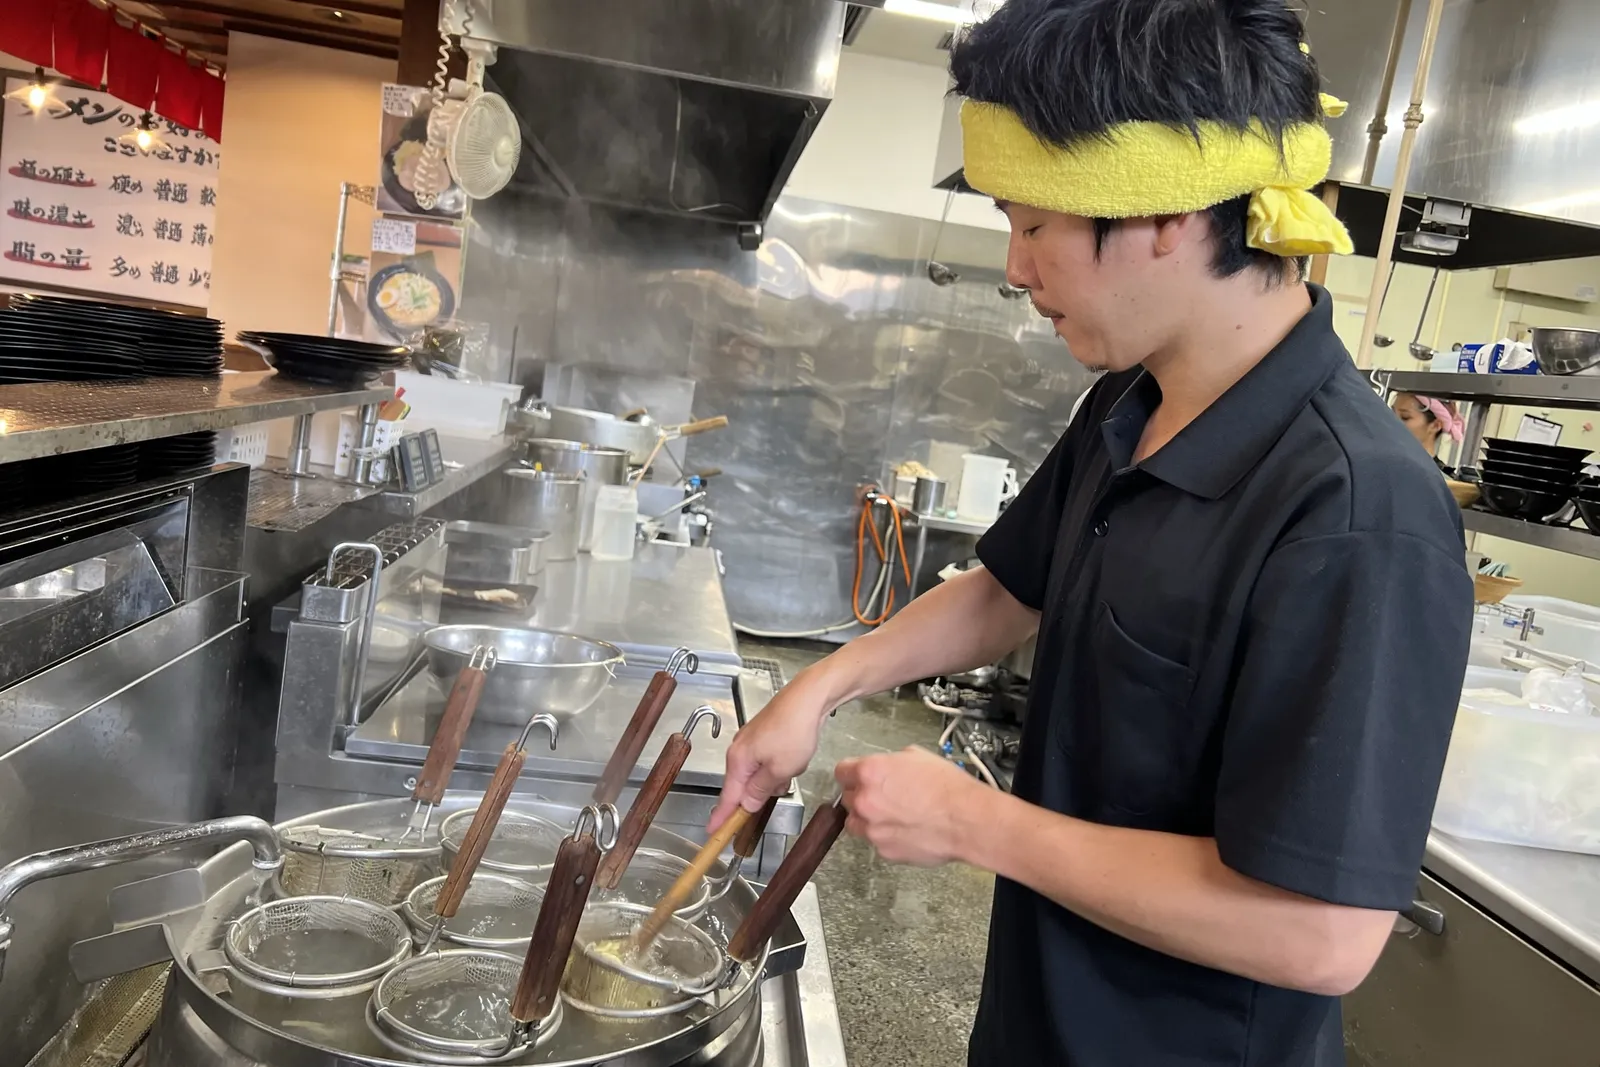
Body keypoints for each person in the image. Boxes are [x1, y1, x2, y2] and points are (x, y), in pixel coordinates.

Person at [709, 2, 1474, 1066]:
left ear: (1161, 211)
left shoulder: (1356, 511)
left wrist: (979, 824)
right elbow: (1008, 589)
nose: (1018, 268)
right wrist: (818, 686)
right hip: (1035, 1021)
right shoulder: (1130, 401)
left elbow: (1320, 932)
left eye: (1032, 225)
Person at [1393, 391, 1464, 471]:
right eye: (1391, 414)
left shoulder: (1440, 480)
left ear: (1435, 426)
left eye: (1405, 417)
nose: (1392, 421)